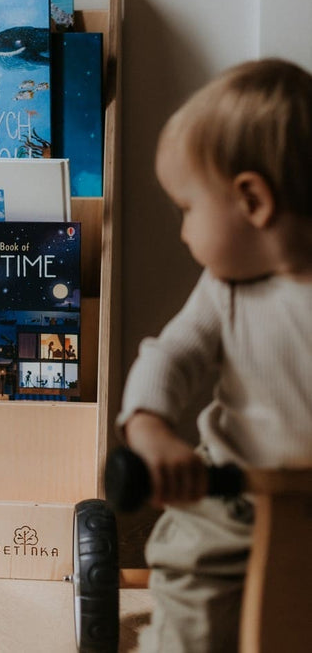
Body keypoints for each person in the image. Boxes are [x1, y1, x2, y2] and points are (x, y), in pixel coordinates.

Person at [117, 58, 312, 652]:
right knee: (196, 606)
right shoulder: (226, 289)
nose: (183, 231)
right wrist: (150, 428)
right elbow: (172, 355)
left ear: (251, 200)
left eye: (186, 208)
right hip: (233, 499)